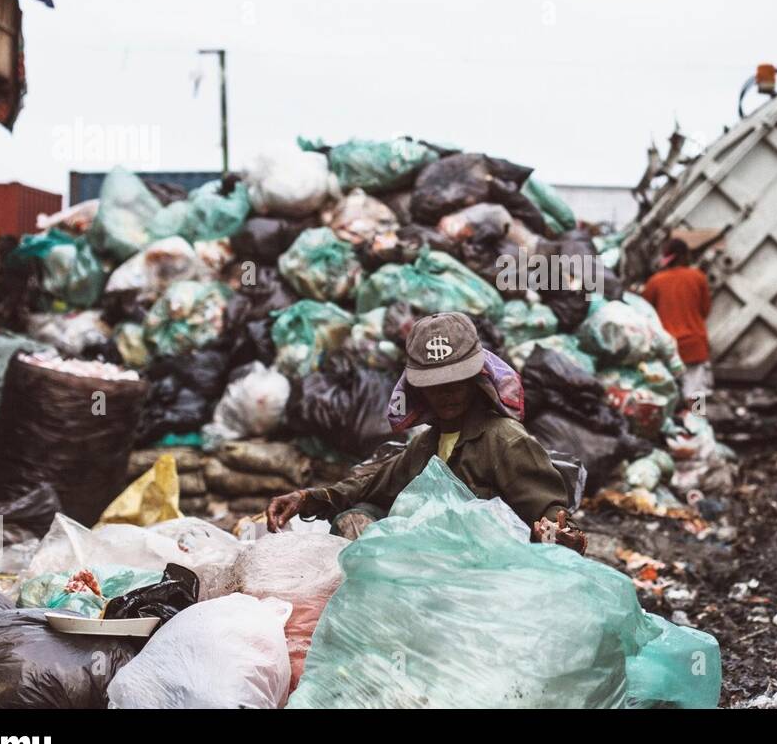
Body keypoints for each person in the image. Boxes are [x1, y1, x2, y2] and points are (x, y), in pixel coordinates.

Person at [265, 312, 587, 553]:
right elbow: (371, 485)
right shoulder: (428, 445)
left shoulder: (505, 439)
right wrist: (307, 499)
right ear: (420, 390)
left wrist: (560, 534)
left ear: (474, 380)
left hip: (488, 578)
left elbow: (549, 511)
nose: (446, 393)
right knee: (355, 519)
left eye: (455, 382)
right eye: (435, 385)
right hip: (436, 573)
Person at [642, 237, 712, 402]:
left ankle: (674, 423)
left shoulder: (655, 282)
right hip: (694, 345)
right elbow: (705, 310)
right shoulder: (698, 278)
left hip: (667, 348)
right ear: (683, 256)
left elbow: (645, 312)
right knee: (696, 392)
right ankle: (697, 422)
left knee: (667, 394)